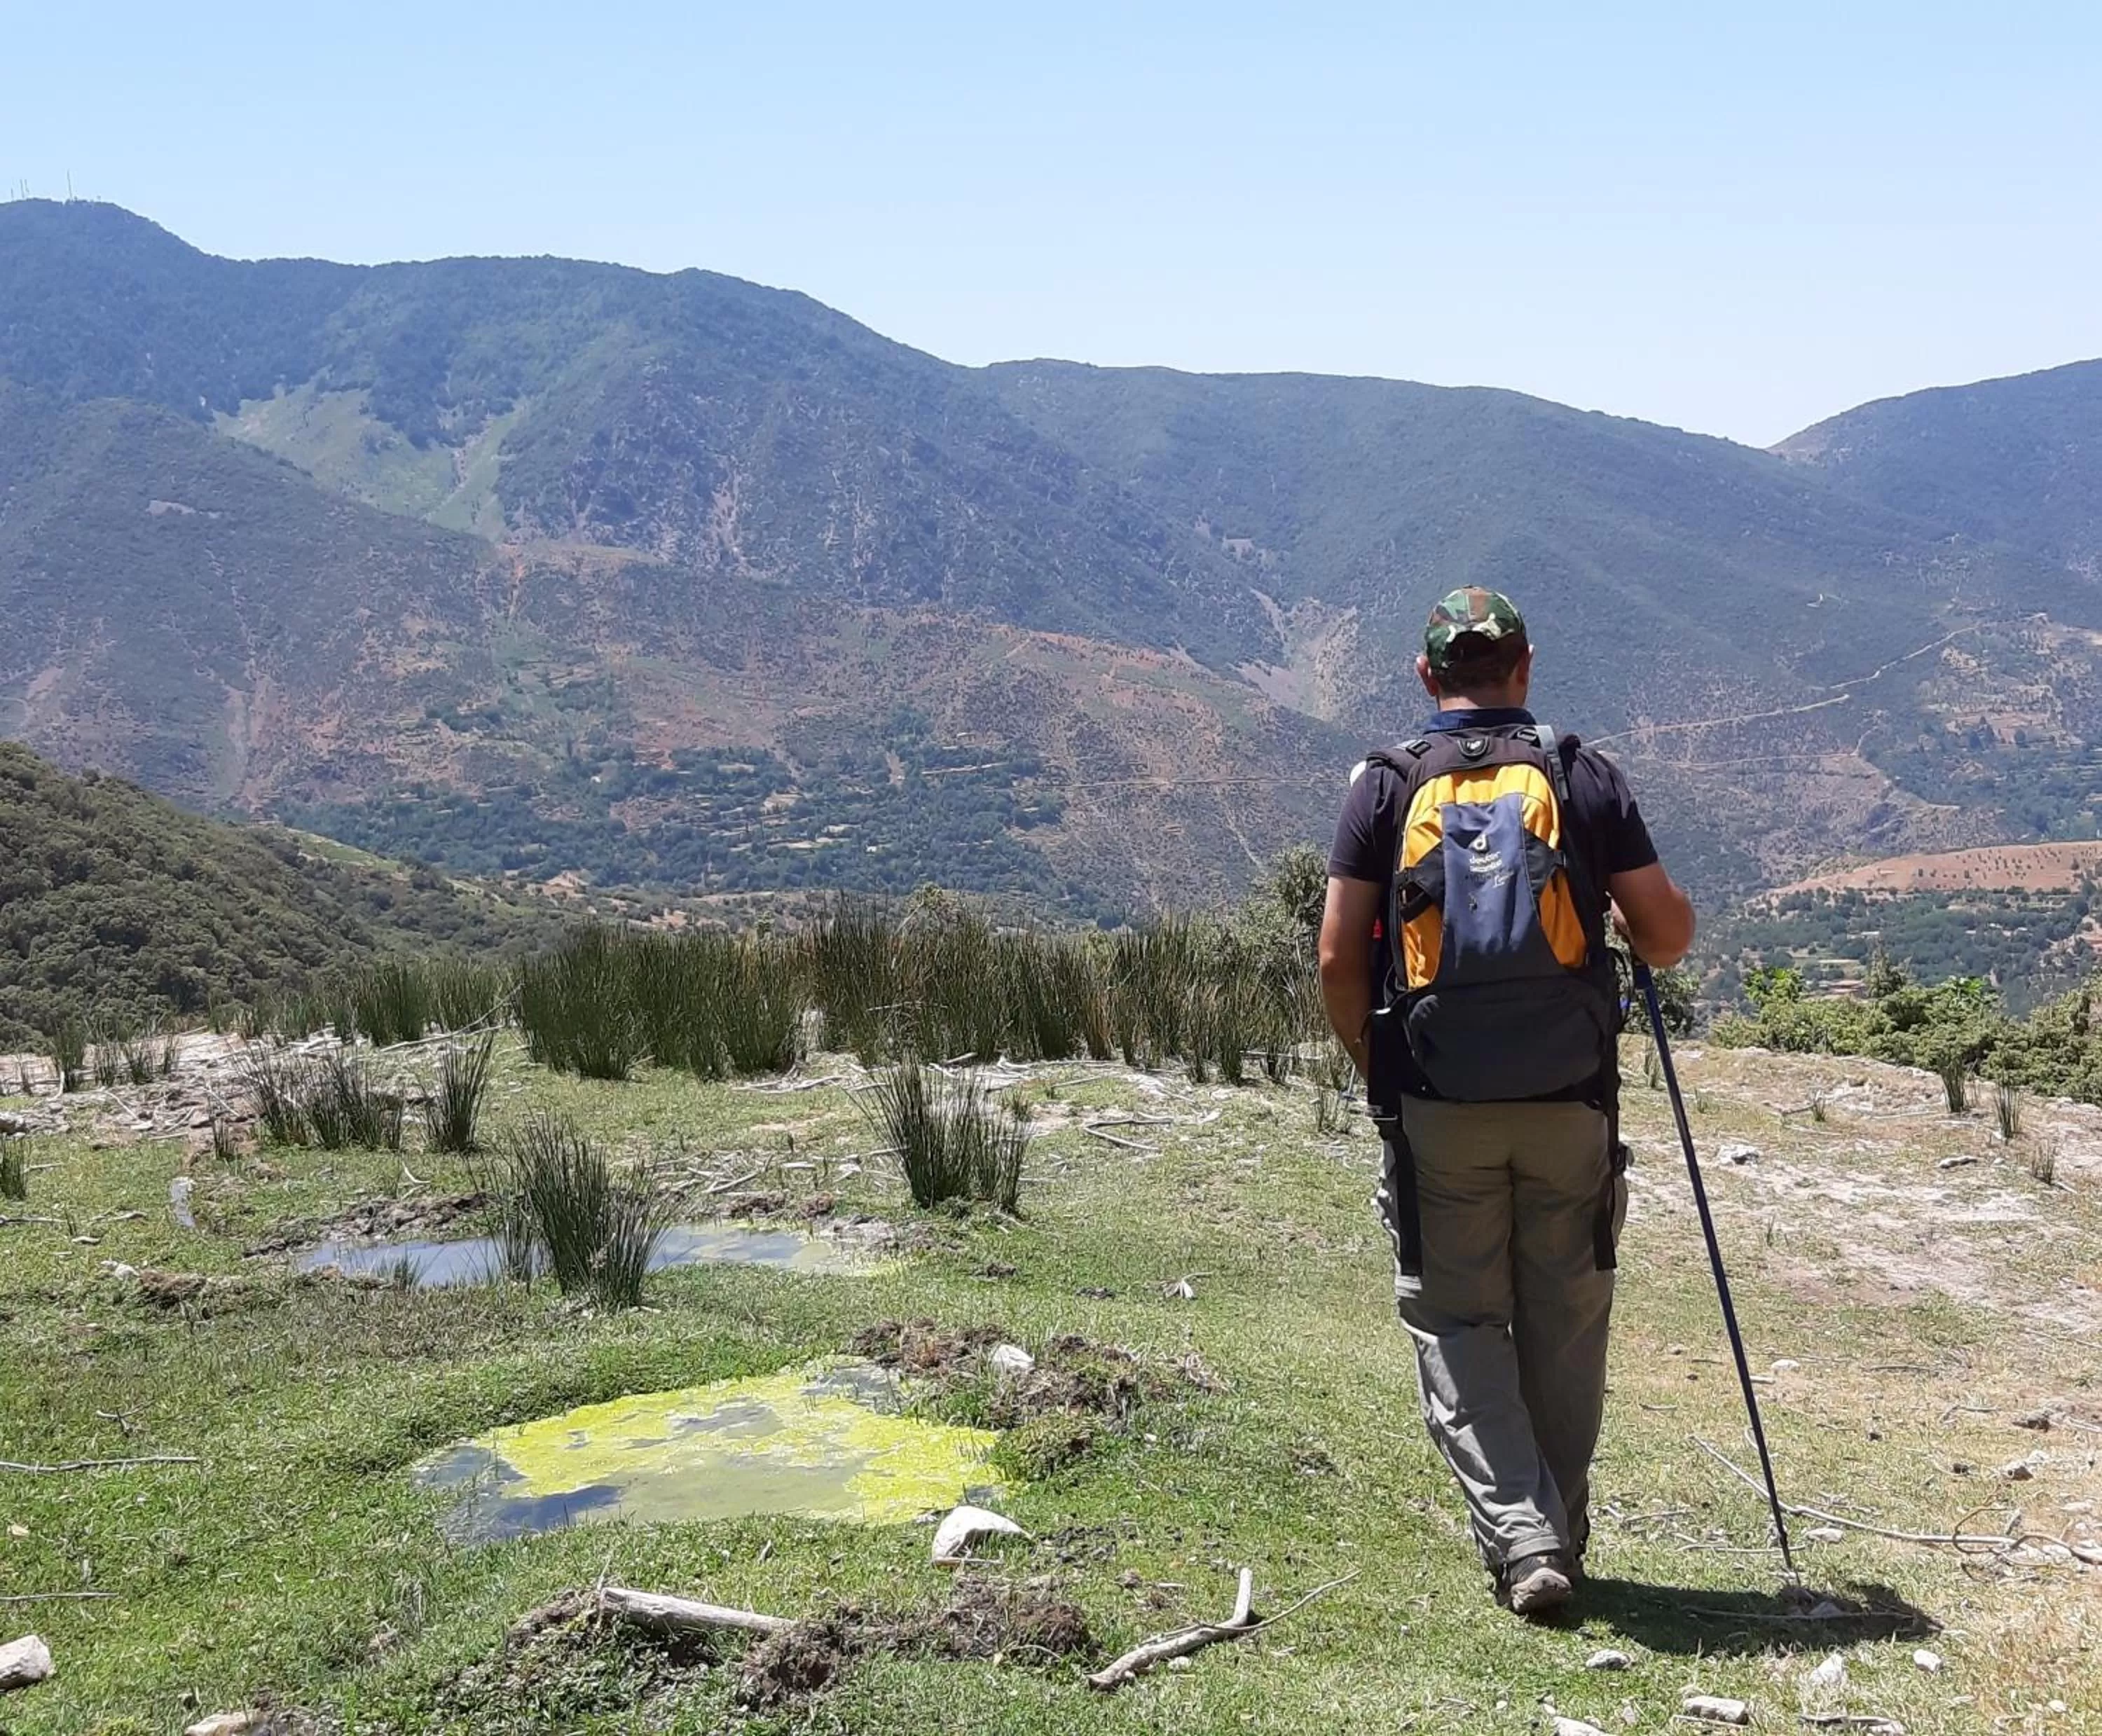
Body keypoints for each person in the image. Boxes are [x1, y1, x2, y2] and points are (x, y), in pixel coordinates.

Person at [1317, 586, 1694, 1616]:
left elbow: (1339, 956)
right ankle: (1555, 1531)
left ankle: (1527, 1538)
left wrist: (1377, 1068)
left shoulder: (1384, 788)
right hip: (1570, 1095)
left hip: (1439, 1097)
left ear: (1427, 677)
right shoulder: (1580, 775)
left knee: (1456, 1316)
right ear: (1524, 667)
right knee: (1568, 1313)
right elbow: (1665, 937)